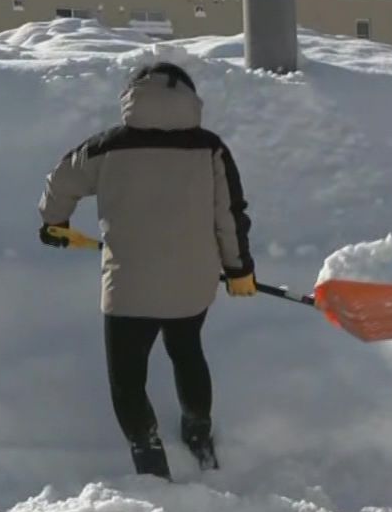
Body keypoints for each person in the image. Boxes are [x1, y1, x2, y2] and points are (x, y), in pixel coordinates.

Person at [36, 61, 255, 480]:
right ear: (190, 99)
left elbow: (59, 182)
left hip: (128, 286)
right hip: (193, 284)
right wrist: (238, 268)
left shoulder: (108, 147)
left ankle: (148, 452)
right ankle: (198, 431)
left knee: (128, 377)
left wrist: (56, 223)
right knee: (187, 351)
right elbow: (229, 214)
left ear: (132, 97)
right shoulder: (210, 148)